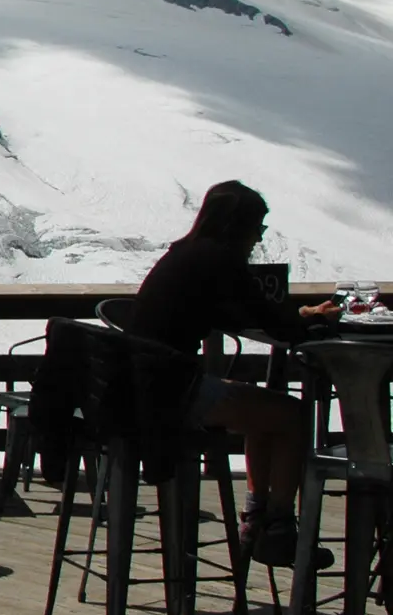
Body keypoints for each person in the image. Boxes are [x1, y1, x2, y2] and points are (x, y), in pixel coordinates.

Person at [130, 180, 339, 567]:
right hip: (170, 392)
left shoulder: (188, 254)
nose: (258, 239)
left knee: (266, 415)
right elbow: (272, 323)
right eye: (257, 228)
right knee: (292, 415)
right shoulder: (220, 260)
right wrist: (314, 320)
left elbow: (241, 314)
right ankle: (276, 525)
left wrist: (298, 317)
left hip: (142, 386)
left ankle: (259, 517)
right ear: (238, 227)